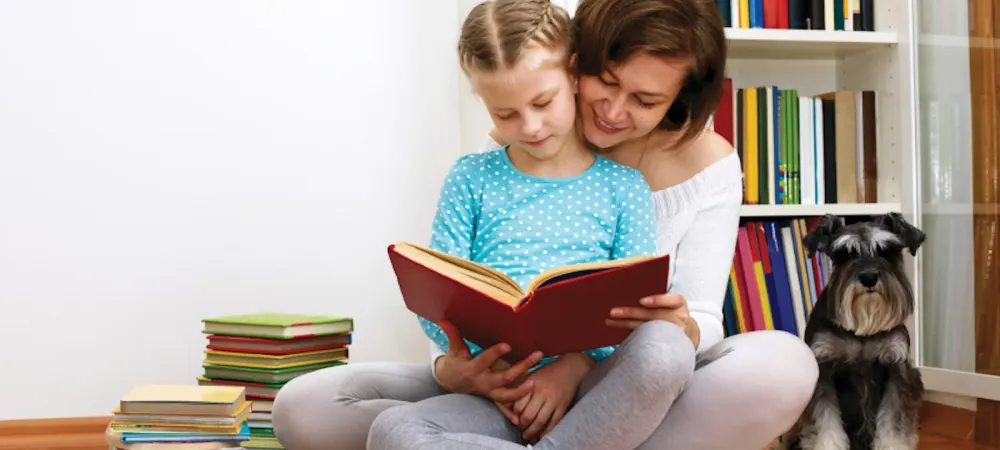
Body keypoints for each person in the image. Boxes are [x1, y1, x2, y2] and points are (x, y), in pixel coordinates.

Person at [271, 0, 819, 448]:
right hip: (494, 384)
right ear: (577, 64)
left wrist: (589, 361)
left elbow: (680, 317)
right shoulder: (503, 151)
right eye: (606, 81)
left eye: (646, 99)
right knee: (330, 414)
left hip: (609, 378)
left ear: (679, 98)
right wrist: (453, 369)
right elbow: (453, 290)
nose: (613, 110)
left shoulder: (655, 178)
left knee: (739, 358)